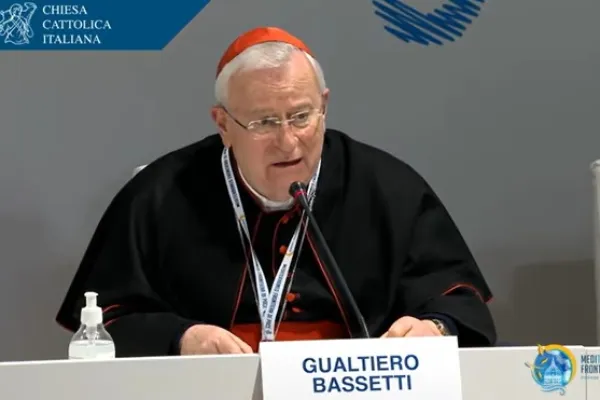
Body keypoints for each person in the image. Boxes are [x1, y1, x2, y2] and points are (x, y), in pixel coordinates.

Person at [55, 26, 497, 357]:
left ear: (324, 106)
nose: (288, 142)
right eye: (264, 122)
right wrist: (181, 337)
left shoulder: (387, 187)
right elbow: (105, 319)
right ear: (223, 124)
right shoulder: (159, 195)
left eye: (302, 116)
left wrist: (434, 328)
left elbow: (458, 302)